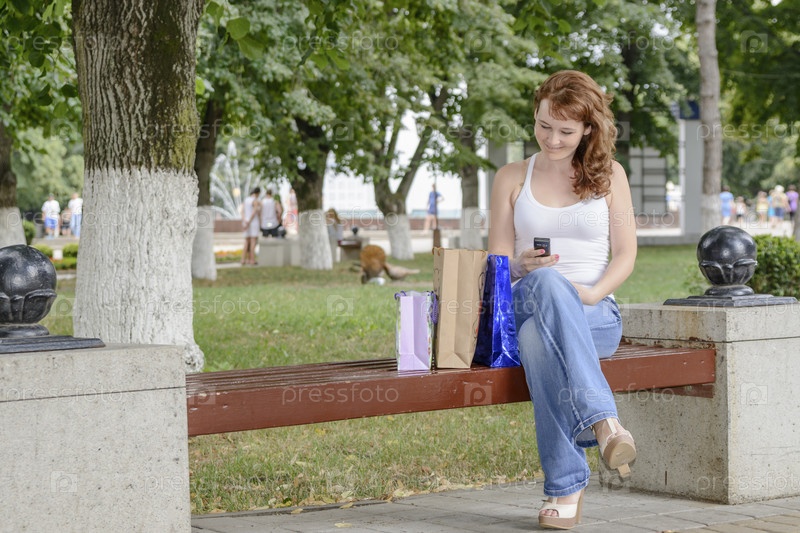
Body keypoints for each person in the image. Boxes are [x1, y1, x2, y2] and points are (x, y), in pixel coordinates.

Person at [488, 70, 637, 530]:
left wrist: (591, 293)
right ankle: (605, 424)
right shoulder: (512, 177)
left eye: (566, 131)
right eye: (543, 125)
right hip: (527, 299)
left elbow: (626, 254)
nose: (552, 139)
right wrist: (519, 267)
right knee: (550, 283)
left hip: (595, 314)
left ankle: (565, 487)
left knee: (538, 343)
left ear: (588, 128)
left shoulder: (610, 176)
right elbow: (496, 265)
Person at [241, 187, 261, 265]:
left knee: (246, 242)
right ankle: (252, 260)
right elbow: (254, 211)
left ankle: (243, 260)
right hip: (253, 223)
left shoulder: (246, 200)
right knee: (253, 242)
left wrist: (245, 221)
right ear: (257, 193)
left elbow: (242, 211)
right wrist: (249, 221)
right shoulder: (255, 200)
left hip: (245, 222)